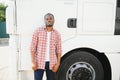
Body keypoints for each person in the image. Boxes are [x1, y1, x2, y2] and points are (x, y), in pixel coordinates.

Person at [30, 13, 62, 80]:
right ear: (44, 20)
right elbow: (32, 47)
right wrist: (33, 62)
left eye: (51, 18)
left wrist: (58, 64)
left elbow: (59, 50)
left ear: (54, 20)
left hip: (52, 62)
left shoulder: (57, 34)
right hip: (39, 61)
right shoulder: (38, 31)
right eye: (47, 19)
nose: (49, 20)